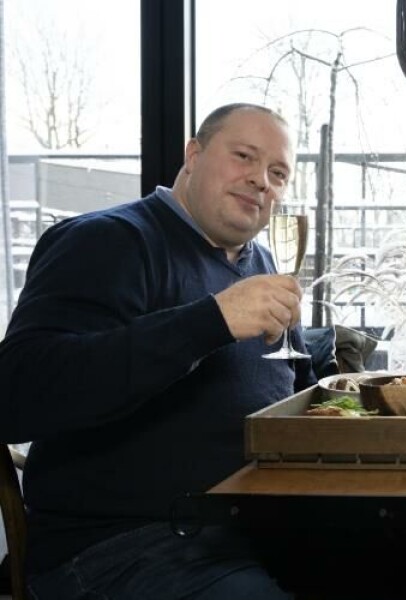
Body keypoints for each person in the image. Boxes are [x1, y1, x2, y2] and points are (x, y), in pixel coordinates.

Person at [0, 103, 316, 599]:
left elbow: (290, 388)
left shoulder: (263, 262)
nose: (261, 180)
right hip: (125, 547)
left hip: (255, 527)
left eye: (277, 173)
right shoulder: (107, 241)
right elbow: (16, 394)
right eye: (243, 157)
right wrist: (210, 320)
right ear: (193, 154)